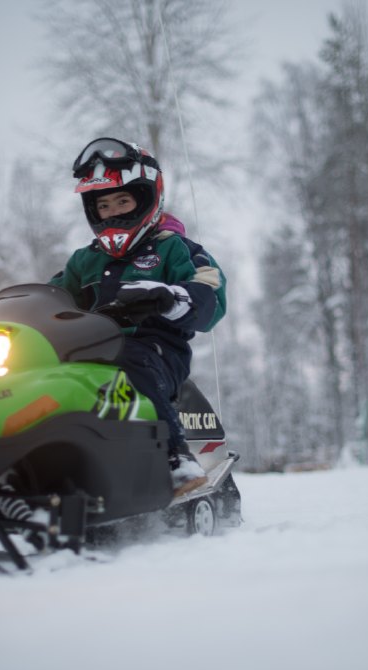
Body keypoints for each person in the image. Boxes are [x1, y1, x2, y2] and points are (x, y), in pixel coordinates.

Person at [49, 138, 226, 496]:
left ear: (147, 197)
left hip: (158, 352)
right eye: (103, 205)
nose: (112, 212)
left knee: (128, 356)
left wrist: (167, 297)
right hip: (88, 353)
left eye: (122, 200)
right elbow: (51, 297)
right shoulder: (84, 261)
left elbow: (211, 298)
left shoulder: (176, 249)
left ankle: (177, 459)